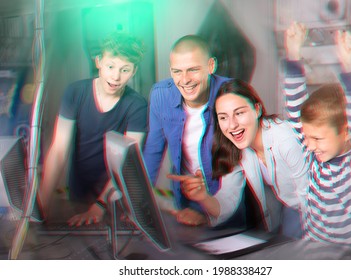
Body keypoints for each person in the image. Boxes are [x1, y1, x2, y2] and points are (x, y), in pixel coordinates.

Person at [283, 22, 351, 259]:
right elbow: (295, 108)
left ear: (346, 132)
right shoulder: (314, 154)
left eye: (317, 138)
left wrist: (350, 69)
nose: (307, 144)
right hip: (317, 254)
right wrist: (292, 54)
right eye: (306, 137)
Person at [39, 31, 148, 226]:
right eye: (110, 66)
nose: (116, 76)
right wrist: (42, 205)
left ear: (134, 71)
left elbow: (127, 162)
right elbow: (59, 150)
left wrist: (100, 205)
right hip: (79, 193)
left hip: (116, 196)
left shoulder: (138, 106)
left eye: (125, 70)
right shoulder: (75, 93)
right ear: (98, 61)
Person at [180, 78, 309, 239]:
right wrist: (203, 197)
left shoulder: (284, 139)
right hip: (291, 207)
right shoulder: (238, 147)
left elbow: (310, 197)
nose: (232, 125)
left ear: (257, 110)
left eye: (239, 113)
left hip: (318, 207)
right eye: (223, 117)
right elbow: (227, 201)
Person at [143, 35, 245, 226]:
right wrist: (139, 203)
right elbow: (153, 151)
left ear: (211, 66)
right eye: (177, 71)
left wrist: (207, 214)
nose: (185, 80)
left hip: (225, 205)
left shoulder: (231, 95)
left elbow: (239, 164)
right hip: (185, 202)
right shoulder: (160, 95)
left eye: (193, 70)